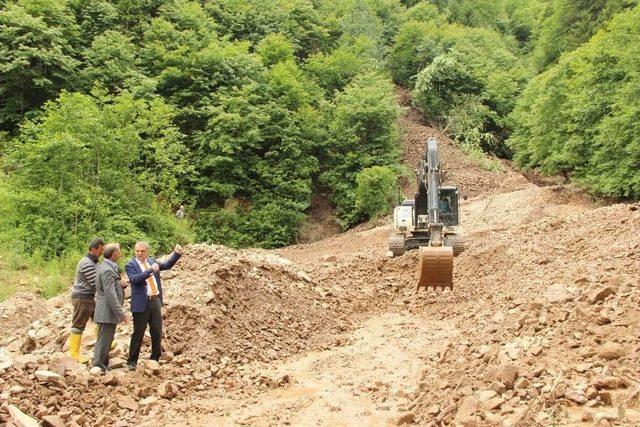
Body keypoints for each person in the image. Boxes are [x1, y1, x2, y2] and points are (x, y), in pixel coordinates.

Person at [125, 241, 183, 370]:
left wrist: (176, 254)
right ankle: (132, 361)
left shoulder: (151, 261)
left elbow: (167, 265)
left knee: (156, 331)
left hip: (155, 300)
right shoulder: (130, 265)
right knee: (138, 332)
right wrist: (151, 270)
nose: (139, 253)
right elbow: (135, 279)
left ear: (147, 252)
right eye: (137, 251)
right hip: (141, 303)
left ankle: (155, 358)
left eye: (142, 251)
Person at [93, 243, 127, 372]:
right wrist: (121, 313)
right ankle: (98, 365)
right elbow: (110, 294)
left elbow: (111, 288)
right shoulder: (107, 269)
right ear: (114, 254)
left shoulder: (106, 267)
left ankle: (103, 364)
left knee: (106, 339)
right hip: (107, 311)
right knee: (104, 339)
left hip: (107, 311)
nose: (120, 254)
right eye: (119, 251)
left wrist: (119, 285)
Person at [69, 238, 104, 363]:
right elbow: (96, 282)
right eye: (100, 250)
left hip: (88, 297)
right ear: (93, 249)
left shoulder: (94, 262)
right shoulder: (86, 263)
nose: (102, 253)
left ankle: (105, 342)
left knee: (99, 318)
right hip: (82, 297)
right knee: (78, 324)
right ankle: (74, 354)